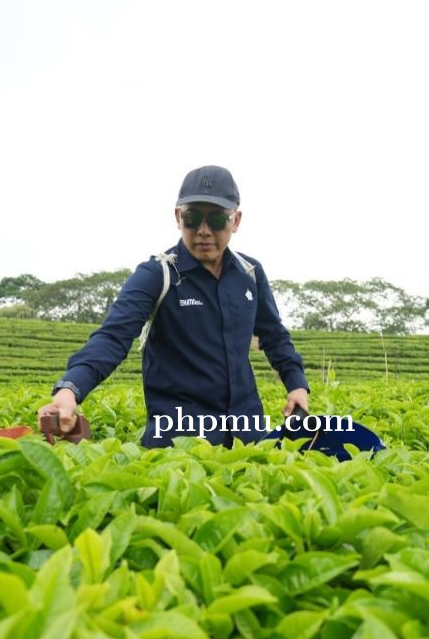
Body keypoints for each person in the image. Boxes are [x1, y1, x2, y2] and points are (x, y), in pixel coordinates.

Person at [38, 165, 309, 448]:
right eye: (193, 218)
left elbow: (274, 335)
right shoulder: (158, 274)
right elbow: (113, 337)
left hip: (248, 438)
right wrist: (69, 390)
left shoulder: (250, 273)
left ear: (236, 220)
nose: (203, 231)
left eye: (216, 220)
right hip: (178, 441)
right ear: (178, 217)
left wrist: (297, 385)